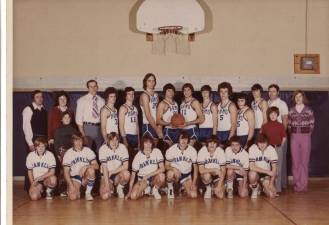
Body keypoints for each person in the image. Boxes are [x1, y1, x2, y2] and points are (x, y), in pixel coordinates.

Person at [288, 90, 315, 192]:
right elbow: (289, 126)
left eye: (300, 96)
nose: (298, 98)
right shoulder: (291, 110)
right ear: (294, 98)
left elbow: (312, 125)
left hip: (305, 137)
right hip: (294, 137)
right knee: (295, 162)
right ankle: (297, 184)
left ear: (303, 98)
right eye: (296, 97)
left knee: (304, 161)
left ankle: (303, 185)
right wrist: (295, 134)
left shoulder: (309, 110)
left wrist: (305, 134)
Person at [22, 90, 48, 191]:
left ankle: (42, 187)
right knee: (31, 163)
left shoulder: (44, 110)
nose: (40, 98)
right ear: (33, 98)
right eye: (37, 97)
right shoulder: (28, 109)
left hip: (43, 140)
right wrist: (30, 143)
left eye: (41, 97)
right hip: (33, 140)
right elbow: (26, 127)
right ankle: (30, 187)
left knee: (42, 162)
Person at [126, 135, 165, 200]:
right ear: (142, 144)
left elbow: (162, 168)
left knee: (162, 176)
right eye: (146, 143)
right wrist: (129, 191)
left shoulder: (156, 151)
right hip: (143, 179)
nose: (148, 145)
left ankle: (155, 189)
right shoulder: (138, 156)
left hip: (153, 177)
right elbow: (133, 176)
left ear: (152, 143)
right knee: (133, 196)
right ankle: (147, 191)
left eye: (150, 143)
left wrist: (149, 175)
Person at [63, 133, 99, 201]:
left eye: (80, 141)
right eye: (76, 141)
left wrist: (86, 166)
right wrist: (71, 185)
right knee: (73, 197)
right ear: (73, 142)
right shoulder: (68, 153)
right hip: (75, 177)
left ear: (83, 141)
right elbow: (66, 172)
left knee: (91, 170)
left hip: (86, 176)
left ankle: (88, 193)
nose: (78, 143)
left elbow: (96, 166)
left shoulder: (88, 150)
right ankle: (79, 191)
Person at [267, 84, 289, 189]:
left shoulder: (282, 104)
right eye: (269, 91)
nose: (271, 93)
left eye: (274, 91)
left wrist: (281, 137)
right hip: (270, 138)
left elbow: (285, 120)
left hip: (280, 137)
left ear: (278, 92)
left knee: (280, 162)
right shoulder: (267, 103)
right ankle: (278, 184)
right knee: (272, 162)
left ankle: (279, 186)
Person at [165, 131, 198, 199]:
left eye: (185, 139)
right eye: (181, 139)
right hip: (175, 173)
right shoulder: (172, 149)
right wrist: (174, 169)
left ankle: (182, 187)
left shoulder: (192, 150)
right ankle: (170, 188)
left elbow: (196, 168)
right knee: (170, 174)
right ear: (178, 140)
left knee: (193, 195)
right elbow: (166, 165)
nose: (183, 141)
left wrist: (194, 183)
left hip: (186, 175)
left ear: (188, 140)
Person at [261, 107, 286, 193]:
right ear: (268, 115)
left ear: (277, 115)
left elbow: (283, 137)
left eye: (275, 114)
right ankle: (268, 186)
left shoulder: (280, 125)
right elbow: (262, 138)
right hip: (268, 149)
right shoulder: (265, 126)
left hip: (277, 148)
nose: (273, 115)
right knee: (270, 167)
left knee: (278, 168)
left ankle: (277, 187)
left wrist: (280, 146)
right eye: (271, 114)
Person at [75, 80, 105, 152]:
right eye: (91, 87)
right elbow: (78, 120)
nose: (93, 88)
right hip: (87, 128)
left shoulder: (102, 100)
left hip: (99, 128)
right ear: (88, 88)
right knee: (87, 151)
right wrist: (83, 135)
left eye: (95, 86)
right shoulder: (81, 100)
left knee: (100, 151)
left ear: (97, 87)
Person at [99, 132, 130, 199]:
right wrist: (107, 186)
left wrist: (112, 172)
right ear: (108, 141)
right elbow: (104, 168)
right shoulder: (103, 148)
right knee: (105, 196)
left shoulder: (122, 147)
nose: (114, 142)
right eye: (112, 140)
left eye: (116, 140)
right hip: (106, 175)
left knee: (126, 174)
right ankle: (111, 188)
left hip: (117, 174)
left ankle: (119, 188)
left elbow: (126, 166)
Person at [53, 112, 78, 196]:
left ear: (70, 119)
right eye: (65, 118)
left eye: (68, 118)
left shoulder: (74, 130)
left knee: (72, 169)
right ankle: (62, 189)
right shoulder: (58, 130)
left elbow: (76, 142)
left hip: (72, 152)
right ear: (62, 119)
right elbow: (56, 143)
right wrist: (58, 155)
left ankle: (71, 187)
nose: (67, 119)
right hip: (62, 152)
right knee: (63, 170)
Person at [248, 134, 278, 199]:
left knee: (271, 195)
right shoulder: (253, 148)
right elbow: (252, 167)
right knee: (252, 174)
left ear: (267, 143)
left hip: (265, 176)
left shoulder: (271, 149)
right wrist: (267, 171)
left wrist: (271, 183)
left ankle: (263, 187)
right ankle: (255, 188)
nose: (262, 145)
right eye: (260, 143)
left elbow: (274, 169)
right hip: (256, 172)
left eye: (264, 143)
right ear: (257, 143)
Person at [140, 73, 162, 140]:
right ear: (145, 82)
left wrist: (160, 126)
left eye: (153, 80)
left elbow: (159, 112)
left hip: (156, 124)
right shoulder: (144, 95)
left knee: (155, 148)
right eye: (149, 81)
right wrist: (157, 129)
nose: (152, 83)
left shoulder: (156, 95)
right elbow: (148, 114)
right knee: (149, 148)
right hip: (148, 125)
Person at [217, 82, 237, 146]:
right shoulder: (217, 105)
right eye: (221, 91)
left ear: (229, 93)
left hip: (227, 132)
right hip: (219, 132)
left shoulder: (231, 106)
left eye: (225, 91)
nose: (223, 94)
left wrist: (229, 139)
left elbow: (234, 124)